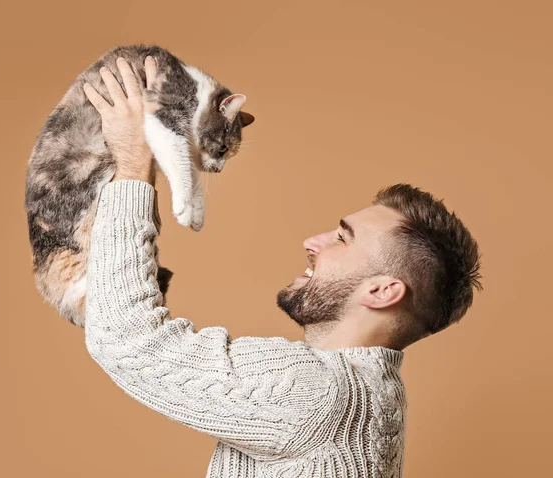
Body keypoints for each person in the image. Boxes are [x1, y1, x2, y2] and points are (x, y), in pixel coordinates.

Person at [82, 57, 483, 478]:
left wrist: (132, 162)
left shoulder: (316, 393)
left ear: (383, 291)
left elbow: (126, 337)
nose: (313, 242)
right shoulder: (379, 395)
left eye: (342, 238)